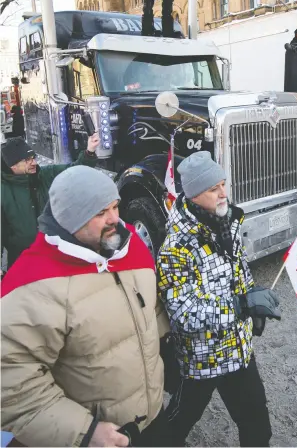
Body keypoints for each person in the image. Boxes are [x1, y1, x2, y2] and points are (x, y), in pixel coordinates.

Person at [1, 166, 169, 447]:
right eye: (100, 212)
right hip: (101, 436)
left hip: (149, 420)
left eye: (115, 206)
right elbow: (12, 386)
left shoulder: (130, 247)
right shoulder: (32, 285)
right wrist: (84, 432)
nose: (116, 218)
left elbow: (151, 314)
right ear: (71, 219)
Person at [157, 151, 281, 447]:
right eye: (214, 189)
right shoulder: (176, 247)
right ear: (195, 194)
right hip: (202, 359)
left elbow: (240, 274)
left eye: (223, 184)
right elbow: (182, 313)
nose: (224, 193)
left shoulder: (228, 225)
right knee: (175, 427)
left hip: (238, 351)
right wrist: (240, 307)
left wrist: (252, 300)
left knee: (257, 426)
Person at [1, 134, 100, 270]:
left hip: (52, 255)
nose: (34, 162)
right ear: (12, 165)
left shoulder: (44, 175)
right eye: (27, 160)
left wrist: (89, 152)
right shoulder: (3, 190)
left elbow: (74, 170)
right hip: (21, 261)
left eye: (33, 158)